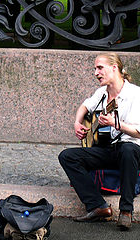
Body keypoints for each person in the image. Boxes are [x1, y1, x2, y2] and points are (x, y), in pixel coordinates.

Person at [58, 52, 140, 231]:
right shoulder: (102, 93)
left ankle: (126, 211)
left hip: (132, 149)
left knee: (128, 150)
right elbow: (85, 105)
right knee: (67, 156)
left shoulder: (135, 94)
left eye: (100, 68)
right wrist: (77, 123)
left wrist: (115, 124)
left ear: (114, 68)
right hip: (109, 149)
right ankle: (98, 206)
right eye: (95, 69)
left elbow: (138, 133)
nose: (96, 72)